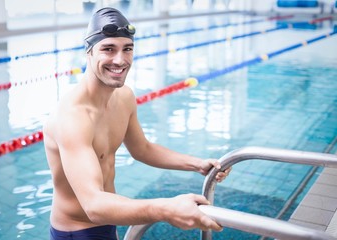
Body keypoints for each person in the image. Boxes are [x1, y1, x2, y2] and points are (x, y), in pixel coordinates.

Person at [43, 7, 231, 240]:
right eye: (108, 49)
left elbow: (142, 149)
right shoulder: (72, 118)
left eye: (127, 49)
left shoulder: (123, 97)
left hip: (108, 219)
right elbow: (93, 204)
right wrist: (166, 209)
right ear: (89, 52)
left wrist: (197, 164)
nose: (120, 60)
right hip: (77, 231)